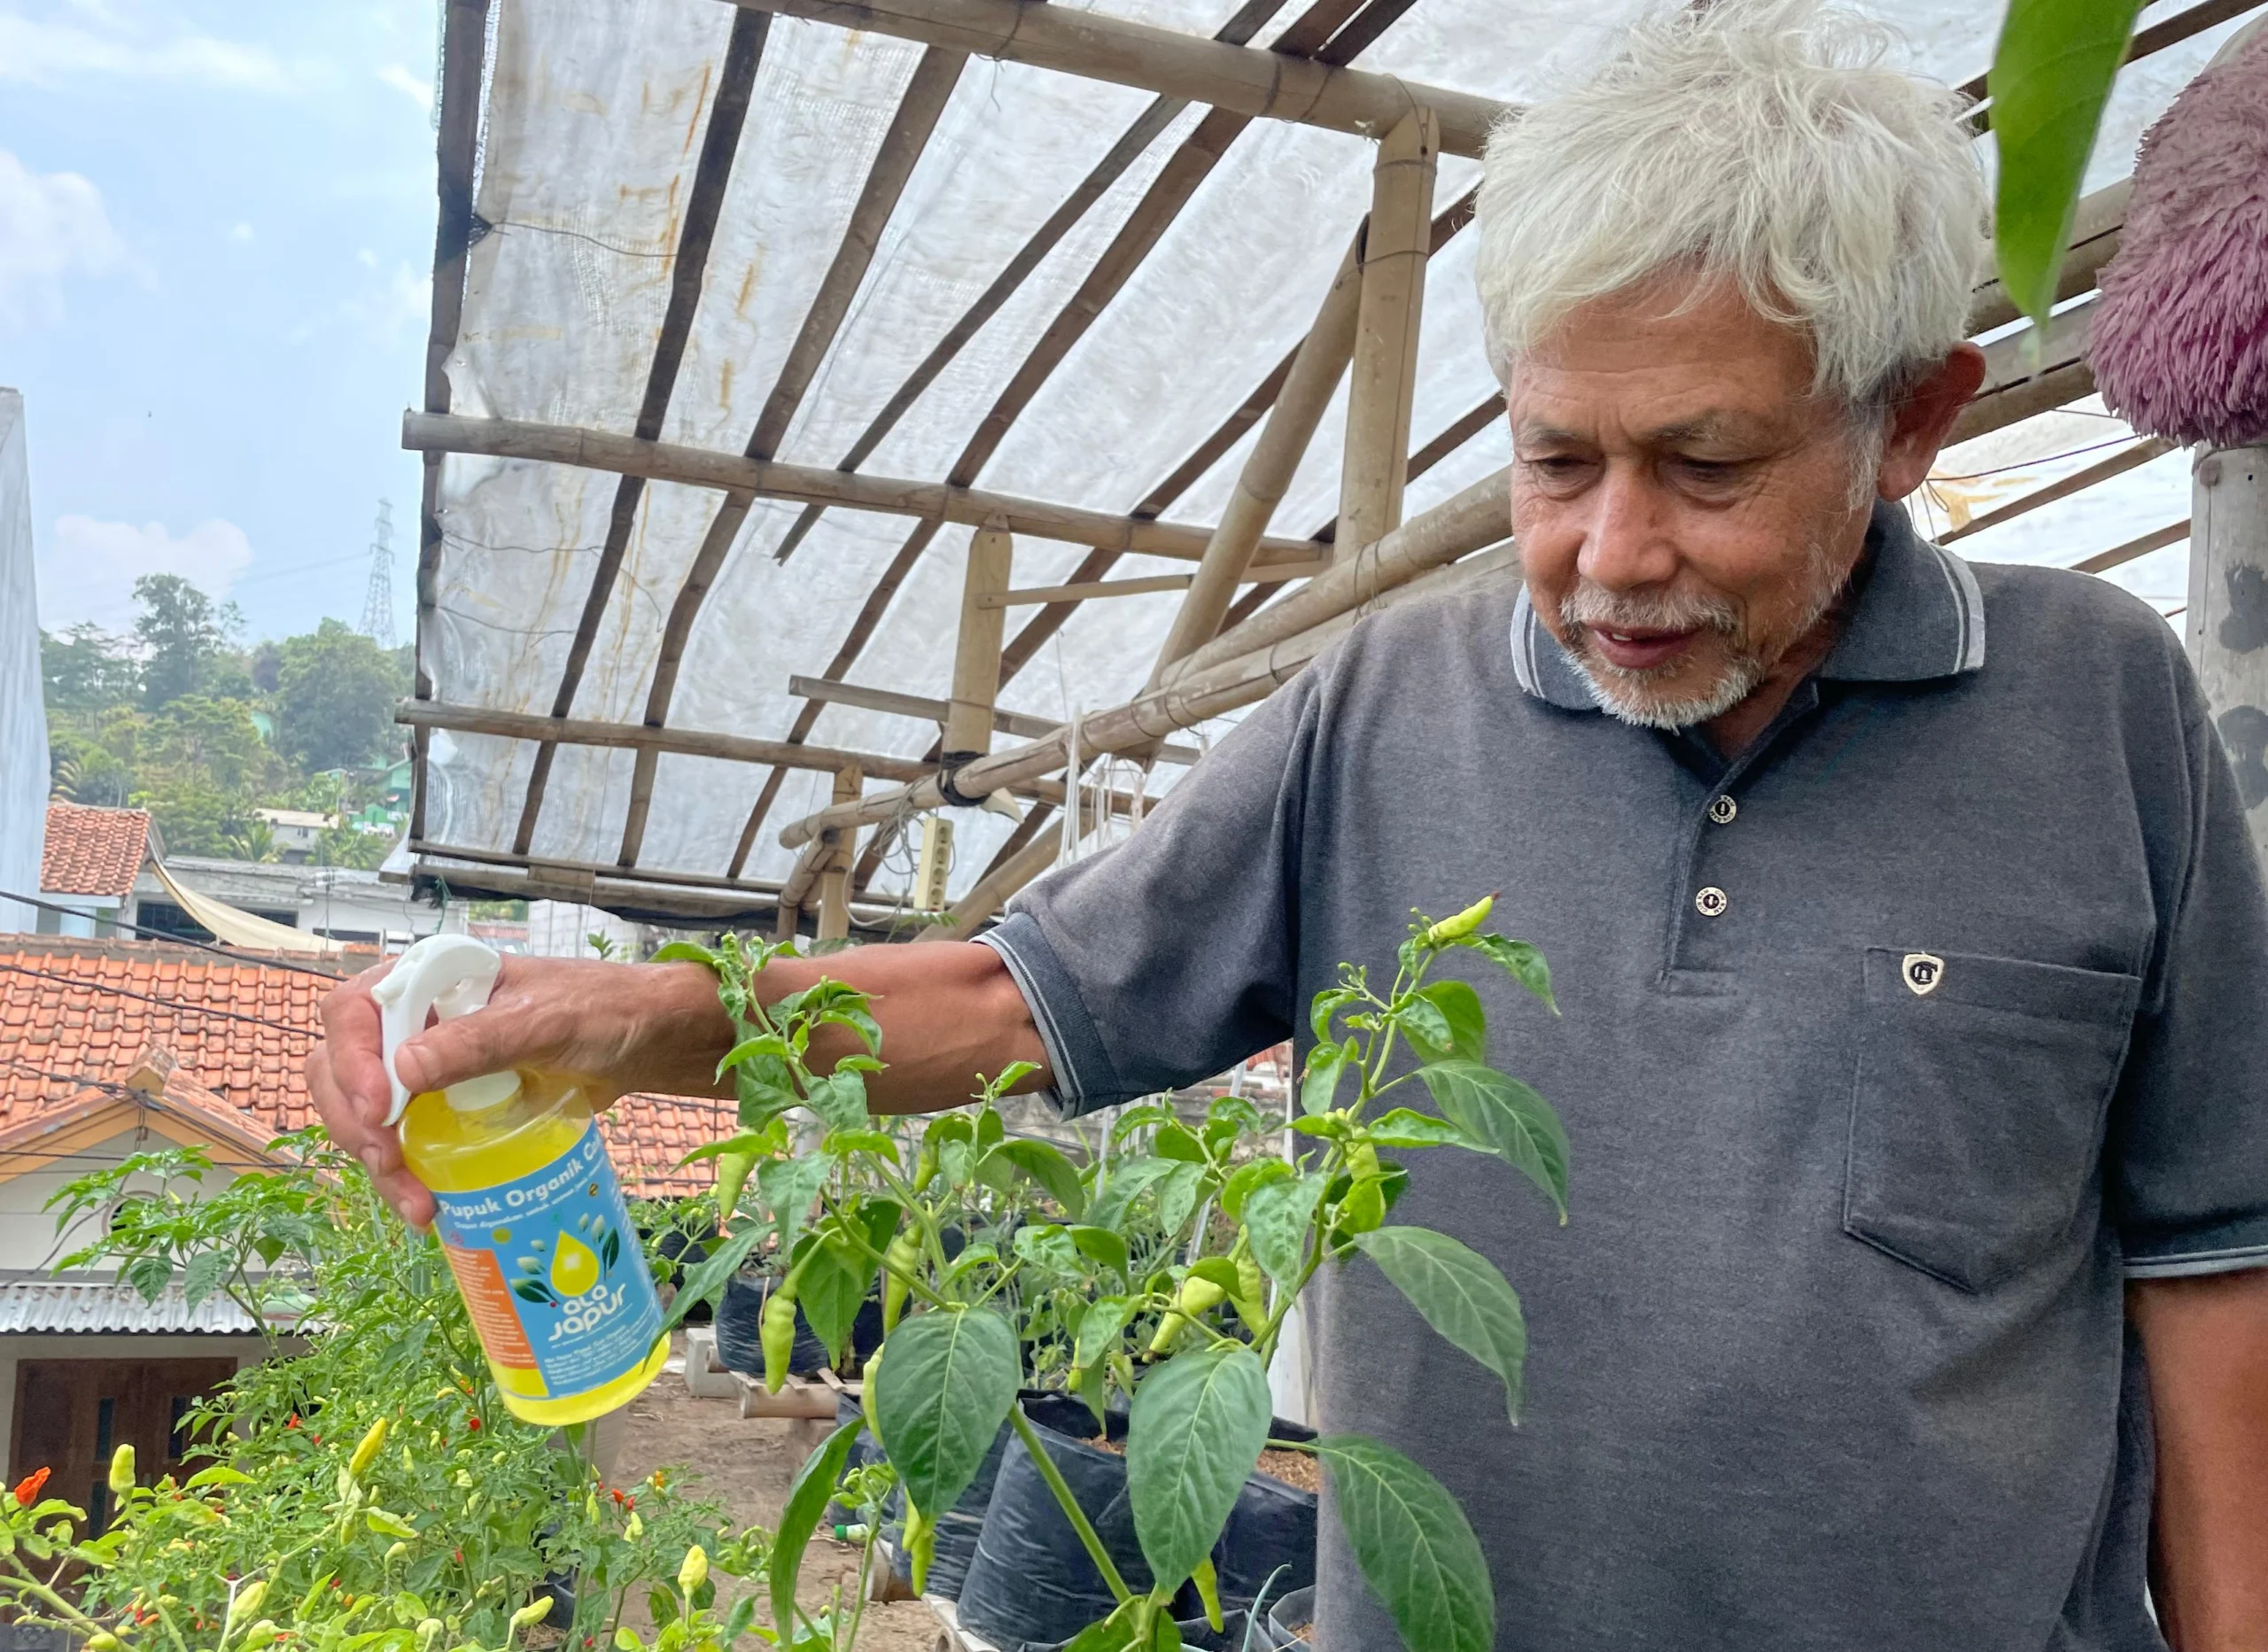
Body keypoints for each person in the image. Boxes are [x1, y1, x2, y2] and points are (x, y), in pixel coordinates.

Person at [311, 4, 2268, 1646]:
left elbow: (2208, 1255)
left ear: (1909, 420)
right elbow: (1012, 1001)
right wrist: (649, 1022)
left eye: (1705, 464)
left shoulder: (2094, 705)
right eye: (1553, 456)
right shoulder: (1387, 705)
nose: (1608, 555)